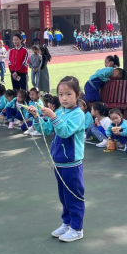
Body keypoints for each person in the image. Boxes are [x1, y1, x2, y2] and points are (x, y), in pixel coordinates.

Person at [29, 76, 85, 243]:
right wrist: (37, 117)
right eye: (61, 94)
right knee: (64, 197)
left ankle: (77, 228)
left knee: (74, 197)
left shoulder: (78, 115)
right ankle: (67, 223)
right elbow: (46, 130)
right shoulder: (60, 112)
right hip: (59, 163)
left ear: (78, 95)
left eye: (68, 94)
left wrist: (53, 116)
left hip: (72, 165)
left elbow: (65, 132)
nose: (64, 98)